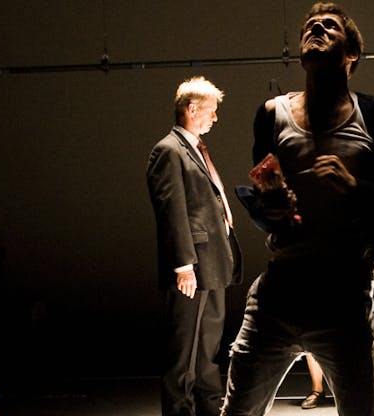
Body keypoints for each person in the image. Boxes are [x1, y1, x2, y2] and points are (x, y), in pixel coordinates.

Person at [221, 3, 374, 415]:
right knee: (238, 410)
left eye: (329, 26)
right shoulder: (271, 114)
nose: (315, 28)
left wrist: (357, 189)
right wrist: (271, 211)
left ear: (351, 54)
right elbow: (268, 198)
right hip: (278, 292)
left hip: (343, 296)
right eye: (309, 27)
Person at [146, 76, 243, 416]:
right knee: (184, 346)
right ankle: (179, 410)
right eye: (211, 111)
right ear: (191, 109)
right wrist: (182, 264)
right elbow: (172, 211)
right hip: (193, 266)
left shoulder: (195, 148)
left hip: (212, 263)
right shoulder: (168, 150)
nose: (215, 118)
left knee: (208, 344)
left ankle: (208, 405)